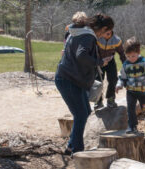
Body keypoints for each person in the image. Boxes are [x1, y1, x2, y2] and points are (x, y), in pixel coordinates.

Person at [55, 12, 114, 156]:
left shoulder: (79, 32)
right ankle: (77, 150)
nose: (105, 35)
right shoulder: (88, 36)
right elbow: (81, 55)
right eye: (107, 31)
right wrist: (100, 62)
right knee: (81, 115)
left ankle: (71, 147)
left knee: (84, 113)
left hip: (70, 79)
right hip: (69, 80)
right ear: (103, 28)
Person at [116, 37, 145, 136]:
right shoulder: (126, 64)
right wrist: (119, 85)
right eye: (128, 56)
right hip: (131, 92)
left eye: (133, 56)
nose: (131, 58)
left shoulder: (144, 61)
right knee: (130, 109)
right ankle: (132, 126)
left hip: (144, 92)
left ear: (138, 52)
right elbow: (122, 77)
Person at [95, 29, 126, 109]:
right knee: (98, 81)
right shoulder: (97, 38)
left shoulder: (117, 40)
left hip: (110, 61)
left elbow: (121, 53)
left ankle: (110, 98)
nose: (107, 33)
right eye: (105, 31)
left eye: (109, 31)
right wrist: (99, 61)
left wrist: (126, 64)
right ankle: (98, 101)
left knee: (113, 80)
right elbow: (91, 51)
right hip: (99, 62)